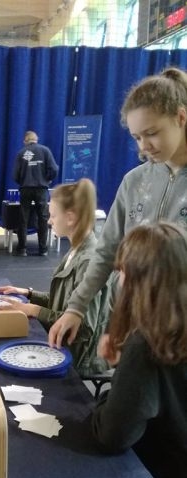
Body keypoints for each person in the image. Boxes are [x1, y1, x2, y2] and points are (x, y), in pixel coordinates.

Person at [49, 66, 187, 350]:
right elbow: (107, 251)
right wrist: (76, 307)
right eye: (137, 137)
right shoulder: (134, 181)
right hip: (134, 325)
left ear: (181, 117)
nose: (144, 146)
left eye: (151, 133)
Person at [91, 222, 187, 478]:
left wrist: (106, 397)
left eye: (123, 272)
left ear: (139, 282)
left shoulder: (148, 345)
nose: (118, 278)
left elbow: (112, 435)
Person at [0, 179, 112, 377]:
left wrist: (33, 310)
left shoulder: (88, 261)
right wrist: (29, 294)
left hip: (77, 359)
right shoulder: (75, 251)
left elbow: (82, 327)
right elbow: (64, 304)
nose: (49, 221)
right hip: (62, 347)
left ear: (70, 218)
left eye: (53, 215)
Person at [12, 130, 59, 257]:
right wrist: (47, 179)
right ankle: (43, 249)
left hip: (25, 188)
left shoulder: (21, 153)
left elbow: (15, 175)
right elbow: (54, 169)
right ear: (36, 139)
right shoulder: (45, 150)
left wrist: (22, 182)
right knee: (43, 218)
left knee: (23, 218)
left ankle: (22, 249)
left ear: (25, 141)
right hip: (41, 189)